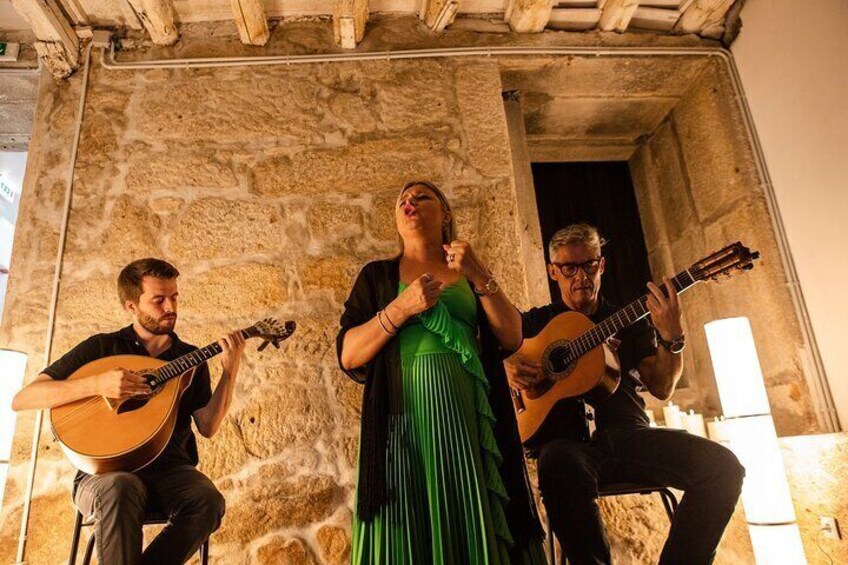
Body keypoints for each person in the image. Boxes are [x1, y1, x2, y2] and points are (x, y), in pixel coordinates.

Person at [505, 223, 744, 565]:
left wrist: (672, 339)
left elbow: (662, 386)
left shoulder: (627, 319)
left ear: (601, 265)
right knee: (556, 461)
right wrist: (508, 366)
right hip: (567, 447)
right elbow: (497, 355)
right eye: (569, 268)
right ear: (553, 271)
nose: (581, 277)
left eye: (589, 265)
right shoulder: (535, 324)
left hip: (629, 437)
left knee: (723, 467)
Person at [337, 180, 546, 564]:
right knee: (406, 518)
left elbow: (512, 336)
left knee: (466, 506)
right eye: (402, 200)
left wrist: (479, 272)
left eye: (422, 197)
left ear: (446, 213)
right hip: (400, 420)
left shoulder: (469, 272)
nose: (409, 203)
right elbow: (348, 355)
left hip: (464, 417)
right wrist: (399, 309)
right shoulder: (376, 276)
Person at [12, 258, 243, 565]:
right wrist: (98, 383)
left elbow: (208, 426)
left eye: (174, 297)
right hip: (103, 475)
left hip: (170, 472)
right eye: (158, 300)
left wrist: (230, 371)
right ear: (131, 306)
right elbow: (24, 398)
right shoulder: (101, 348)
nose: (170, 307)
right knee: (122, 486)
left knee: (207, 500)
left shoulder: (190, 358)